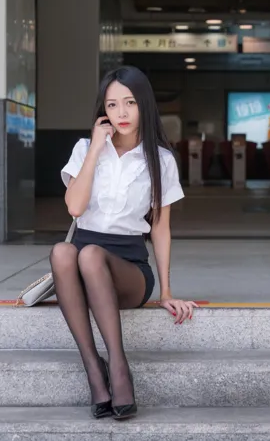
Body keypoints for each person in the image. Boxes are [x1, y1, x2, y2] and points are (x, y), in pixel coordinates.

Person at [49, 65, 199, 421]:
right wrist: (95, 149)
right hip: (85, 266)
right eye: (112, 105)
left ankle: (118, 366)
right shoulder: (86, 148)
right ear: (103, 109)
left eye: (129, 103)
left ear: (143, 105)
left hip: (129, 270)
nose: (121, 113)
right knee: (63, 252)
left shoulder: (160, 159)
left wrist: (165, 291)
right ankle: (93, 368)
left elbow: (160, 229)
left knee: (90, 255)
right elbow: (74, 207)